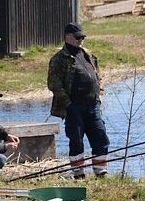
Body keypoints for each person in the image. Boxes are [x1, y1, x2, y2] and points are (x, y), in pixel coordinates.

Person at [47, 22, 110, 178]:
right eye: (77, 37)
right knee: (76, 140)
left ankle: (100, 171)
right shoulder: (59, 59)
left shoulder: (88, 54)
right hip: (73, 107)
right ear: (67, 37)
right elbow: (53, 84)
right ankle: (78, 173)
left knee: (101, 137)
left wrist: (99, 93)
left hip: (93, 105)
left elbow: (97, 75)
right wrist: (68, 104)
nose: (81, 40)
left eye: (82, 37)